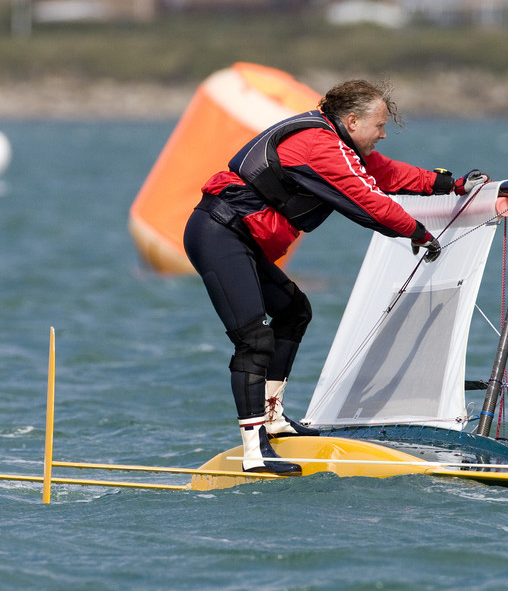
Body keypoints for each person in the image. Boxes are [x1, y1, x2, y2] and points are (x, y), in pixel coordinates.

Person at [183, 78, 466, 474]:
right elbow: (368, 201)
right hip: (219, 234)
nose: (383, 134)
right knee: (254, 338)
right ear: (351, 121)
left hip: (237, 238)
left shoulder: (338, 142)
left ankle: (274, 420)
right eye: (379, 126)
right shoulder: (321, 146)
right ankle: (254, 451)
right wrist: (418, 231)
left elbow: (386, 174)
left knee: (294, 311)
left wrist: (448, 185)